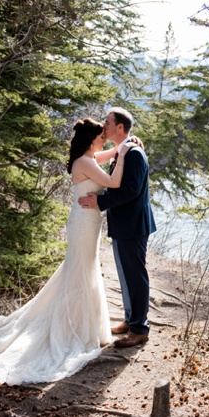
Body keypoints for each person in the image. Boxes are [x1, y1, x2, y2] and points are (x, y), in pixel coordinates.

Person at [0, 118, 136, 385]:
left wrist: (124, 146)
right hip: (84, 224)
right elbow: (112, 182)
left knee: (81, 270)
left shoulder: (88, 156)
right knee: (79, 271)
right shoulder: (86, 162)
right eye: (100, 136)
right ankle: (72, 329)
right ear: (91, 140)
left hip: (88, 222)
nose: (104, 139)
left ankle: (82, 326)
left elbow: (106, 153)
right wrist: (124, 154)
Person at [79, 107, 156, 348]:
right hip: (124, 223)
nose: (104, 126)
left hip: (133, 224)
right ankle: (131, 320)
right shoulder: (124, 150)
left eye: (108, 122)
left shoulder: (133, 154)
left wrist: (100, 202)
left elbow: (130, 191)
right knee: (125, 274)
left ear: (120, 127)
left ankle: (140, 329)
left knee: (135, 275)